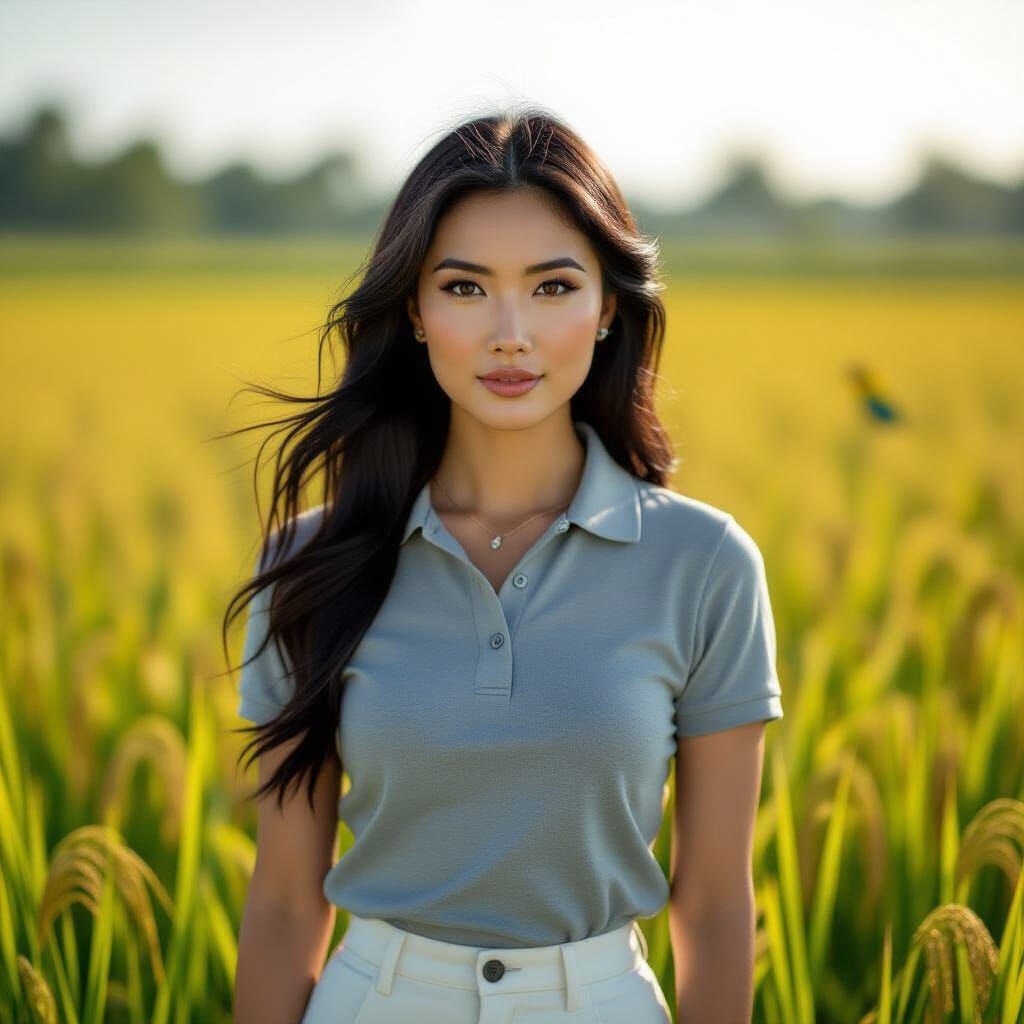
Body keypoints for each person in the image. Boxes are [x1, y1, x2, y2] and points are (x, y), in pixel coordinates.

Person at [227, 104, 784, 1024]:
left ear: (609, 306)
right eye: (466, 287)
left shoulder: (706, 564)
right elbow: (287, 901)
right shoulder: (310, 563)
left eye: (554, 287)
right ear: (413, 308)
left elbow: (717, 903)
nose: (511, 332)